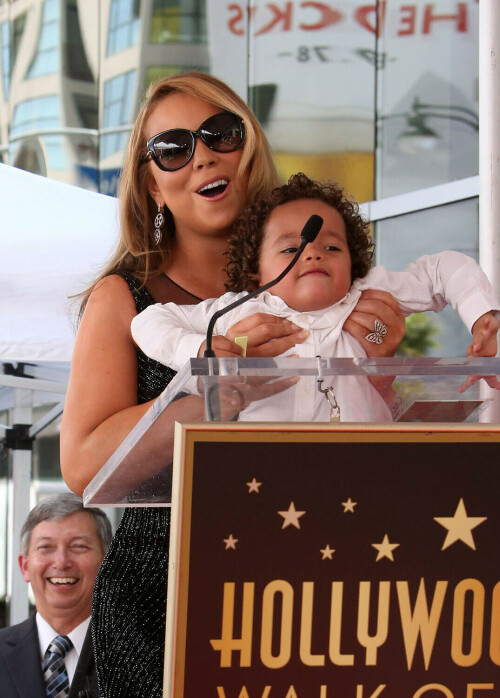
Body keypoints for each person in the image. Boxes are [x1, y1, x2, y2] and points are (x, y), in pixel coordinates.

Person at [59, 73, 406, 697]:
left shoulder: (328, 271)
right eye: (173, 147)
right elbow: (84, 466)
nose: (204, 156)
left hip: (313, 579)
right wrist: (216, 396)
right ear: (151, 184)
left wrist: (379, 343)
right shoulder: (126, 299)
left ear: (249, 154)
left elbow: (372, 421)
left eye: (221, 133)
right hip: (165, 597)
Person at [131, 173, 500, 422]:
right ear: (255, 271)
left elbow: (444, 269)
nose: (312, 253)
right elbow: (147, 321)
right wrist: (198, 351)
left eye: (332, 246)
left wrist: (483, 316)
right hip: (264, 480)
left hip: (362, 475)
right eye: (292, 248)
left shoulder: (366, 292)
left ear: (353, 261)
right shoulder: (236, 312)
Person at [0, 493, 112, 698]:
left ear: (106, 564)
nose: (61, 562)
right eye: (46, 547)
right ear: (24, 566)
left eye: (79, 546)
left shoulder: (140, 658)